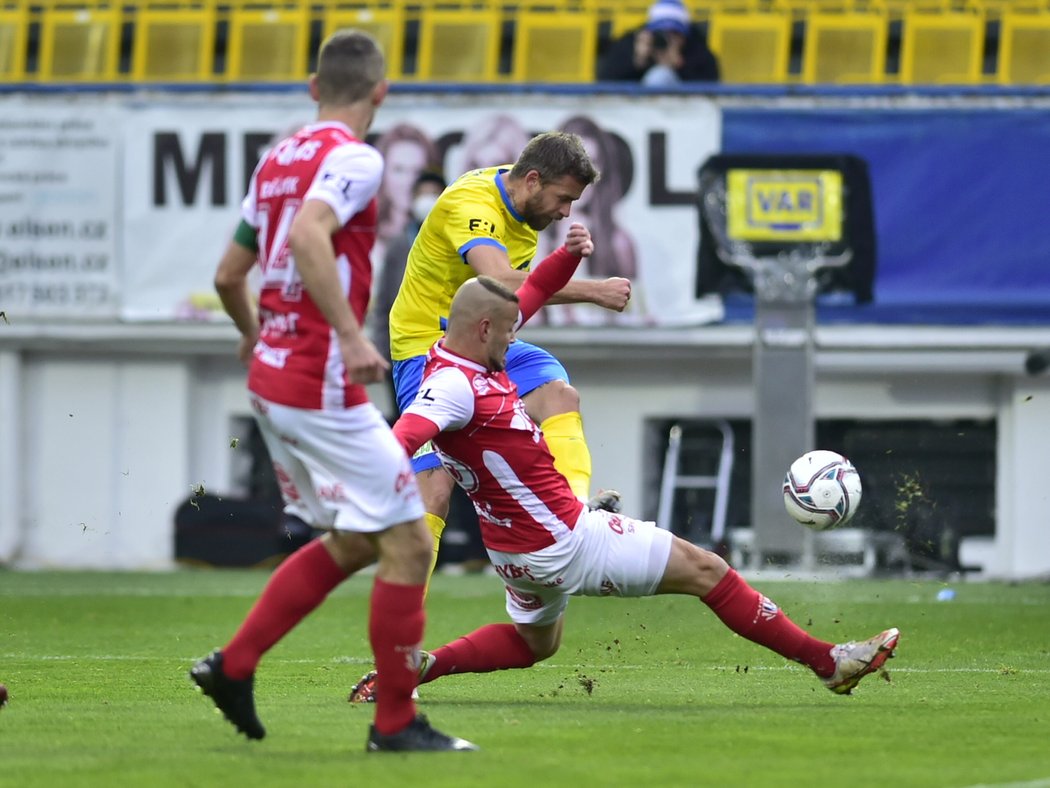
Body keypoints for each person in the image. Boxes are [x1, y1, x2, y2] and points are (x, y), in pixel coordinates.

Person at [350, 267, 901, 706]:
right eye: (511, 329)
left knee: (533, 643)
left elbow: (532, 291)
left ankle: (421, 666)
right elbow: (404, 437)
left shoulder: (451, 356)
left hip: (515, 550)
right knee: (709, 571)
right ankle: (829, 663)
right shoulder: (453, 387)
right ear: (485, 329)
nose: (519, 337)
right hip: (563, 542)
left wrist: (569, 256)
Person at [191, 29, 475, 753]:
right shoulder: (356, 158)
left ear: (312, 88)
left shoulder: (278, 160)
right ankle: (395, 724)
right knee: (410, 543)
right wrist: (351, 336)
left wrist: (255, 334)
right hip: (319, 376)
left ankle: (236, 665)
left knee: (357, 540)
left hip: (273, 377)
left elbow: (230, 274)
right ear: (381, 93)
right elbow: (314, 236)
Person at [386, 130, 632, 591]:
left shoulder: (524, 210)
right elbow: (499, 279)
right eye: (563, 199)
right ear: (533, 180)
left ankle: (577, 515)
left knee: (560, 396)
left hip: (486, 347)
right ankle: (398, 632)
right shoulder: (473, 204)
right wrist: (593, 290)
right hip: (425, 349)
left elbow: (515, 298)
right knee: (434, 491)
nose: (565, 212)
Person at [538, 116, 642, 326]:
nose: (580, 175)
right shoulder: (533, 238)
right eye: (572, 164)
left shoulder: (619, 243)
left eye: (591, 163)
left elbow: (635, 316)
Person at [596, 0, 719, 85]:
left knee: (660, 76)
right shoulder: (631, 43)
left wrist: (679, 65)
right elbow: (605, 82)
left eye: (674, 33)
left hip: (683, 113)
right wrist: (637, 62)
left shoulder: (697, 48)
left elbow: (712, 88)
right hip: (634, 112)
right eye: (660, 31)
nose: (667, 37)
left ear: (685, 33)